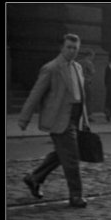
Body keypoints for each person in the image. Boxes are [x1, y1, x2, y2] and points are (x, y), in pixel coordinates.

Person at [17, 33, 88, 208]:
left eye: (75, 48)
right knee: (71, 158)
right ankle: (76, 196)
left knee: (62, 154)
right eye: (69, 47)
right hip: (59, 118)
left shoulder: (78, 67)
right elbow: (36, 93)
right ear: (62, 48)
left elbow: (81, 96)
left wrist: (85, 120)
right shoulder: (51, 68)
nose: (72, 51)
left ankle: (34, 178)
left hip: (75, 117)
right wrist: (24, 118)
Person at [80, 49, 96, 122]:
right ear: (89, 56)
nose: (93, 57)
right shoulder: (89, 63)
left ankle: (81, 115)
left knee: (81, 100)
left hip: (79, 82)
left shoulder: (79, 62)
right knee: (88, 99)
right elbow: (93, 72)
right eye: (93, 56)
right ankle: (88, 116)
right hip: (87, 82)